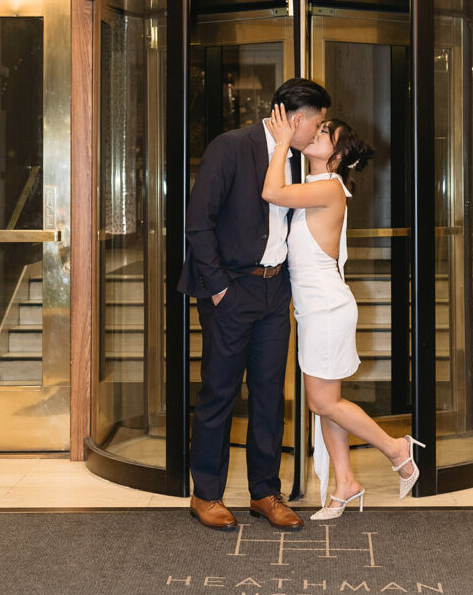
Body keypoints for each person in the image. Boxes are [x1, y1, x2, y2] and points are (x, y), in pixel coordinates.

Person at [178, 78, 331, 531]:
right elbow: (198, 221)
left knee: (268, 397)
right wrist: (219, 287)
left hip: (273, 290)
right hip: (231, 289)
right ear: (296, 118)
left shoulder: (301, 161)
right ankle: (205, 494)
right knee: (220, 393)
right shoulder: (232, 147)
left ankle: (265, 493)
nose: (318, 132)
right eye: (317, 123)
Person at [262, 103, 425, 519]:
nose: (317, 132)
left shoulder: (330, 187)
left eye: (326, 132)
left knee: (322, 402)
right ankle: (347, 484)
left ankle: (396, 449)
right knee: (326, 401)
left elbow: (272, 193)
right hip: (316, 308)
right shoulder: (318, 183)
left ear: (336, 155)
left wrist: (282, 143)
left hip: (326, 310)